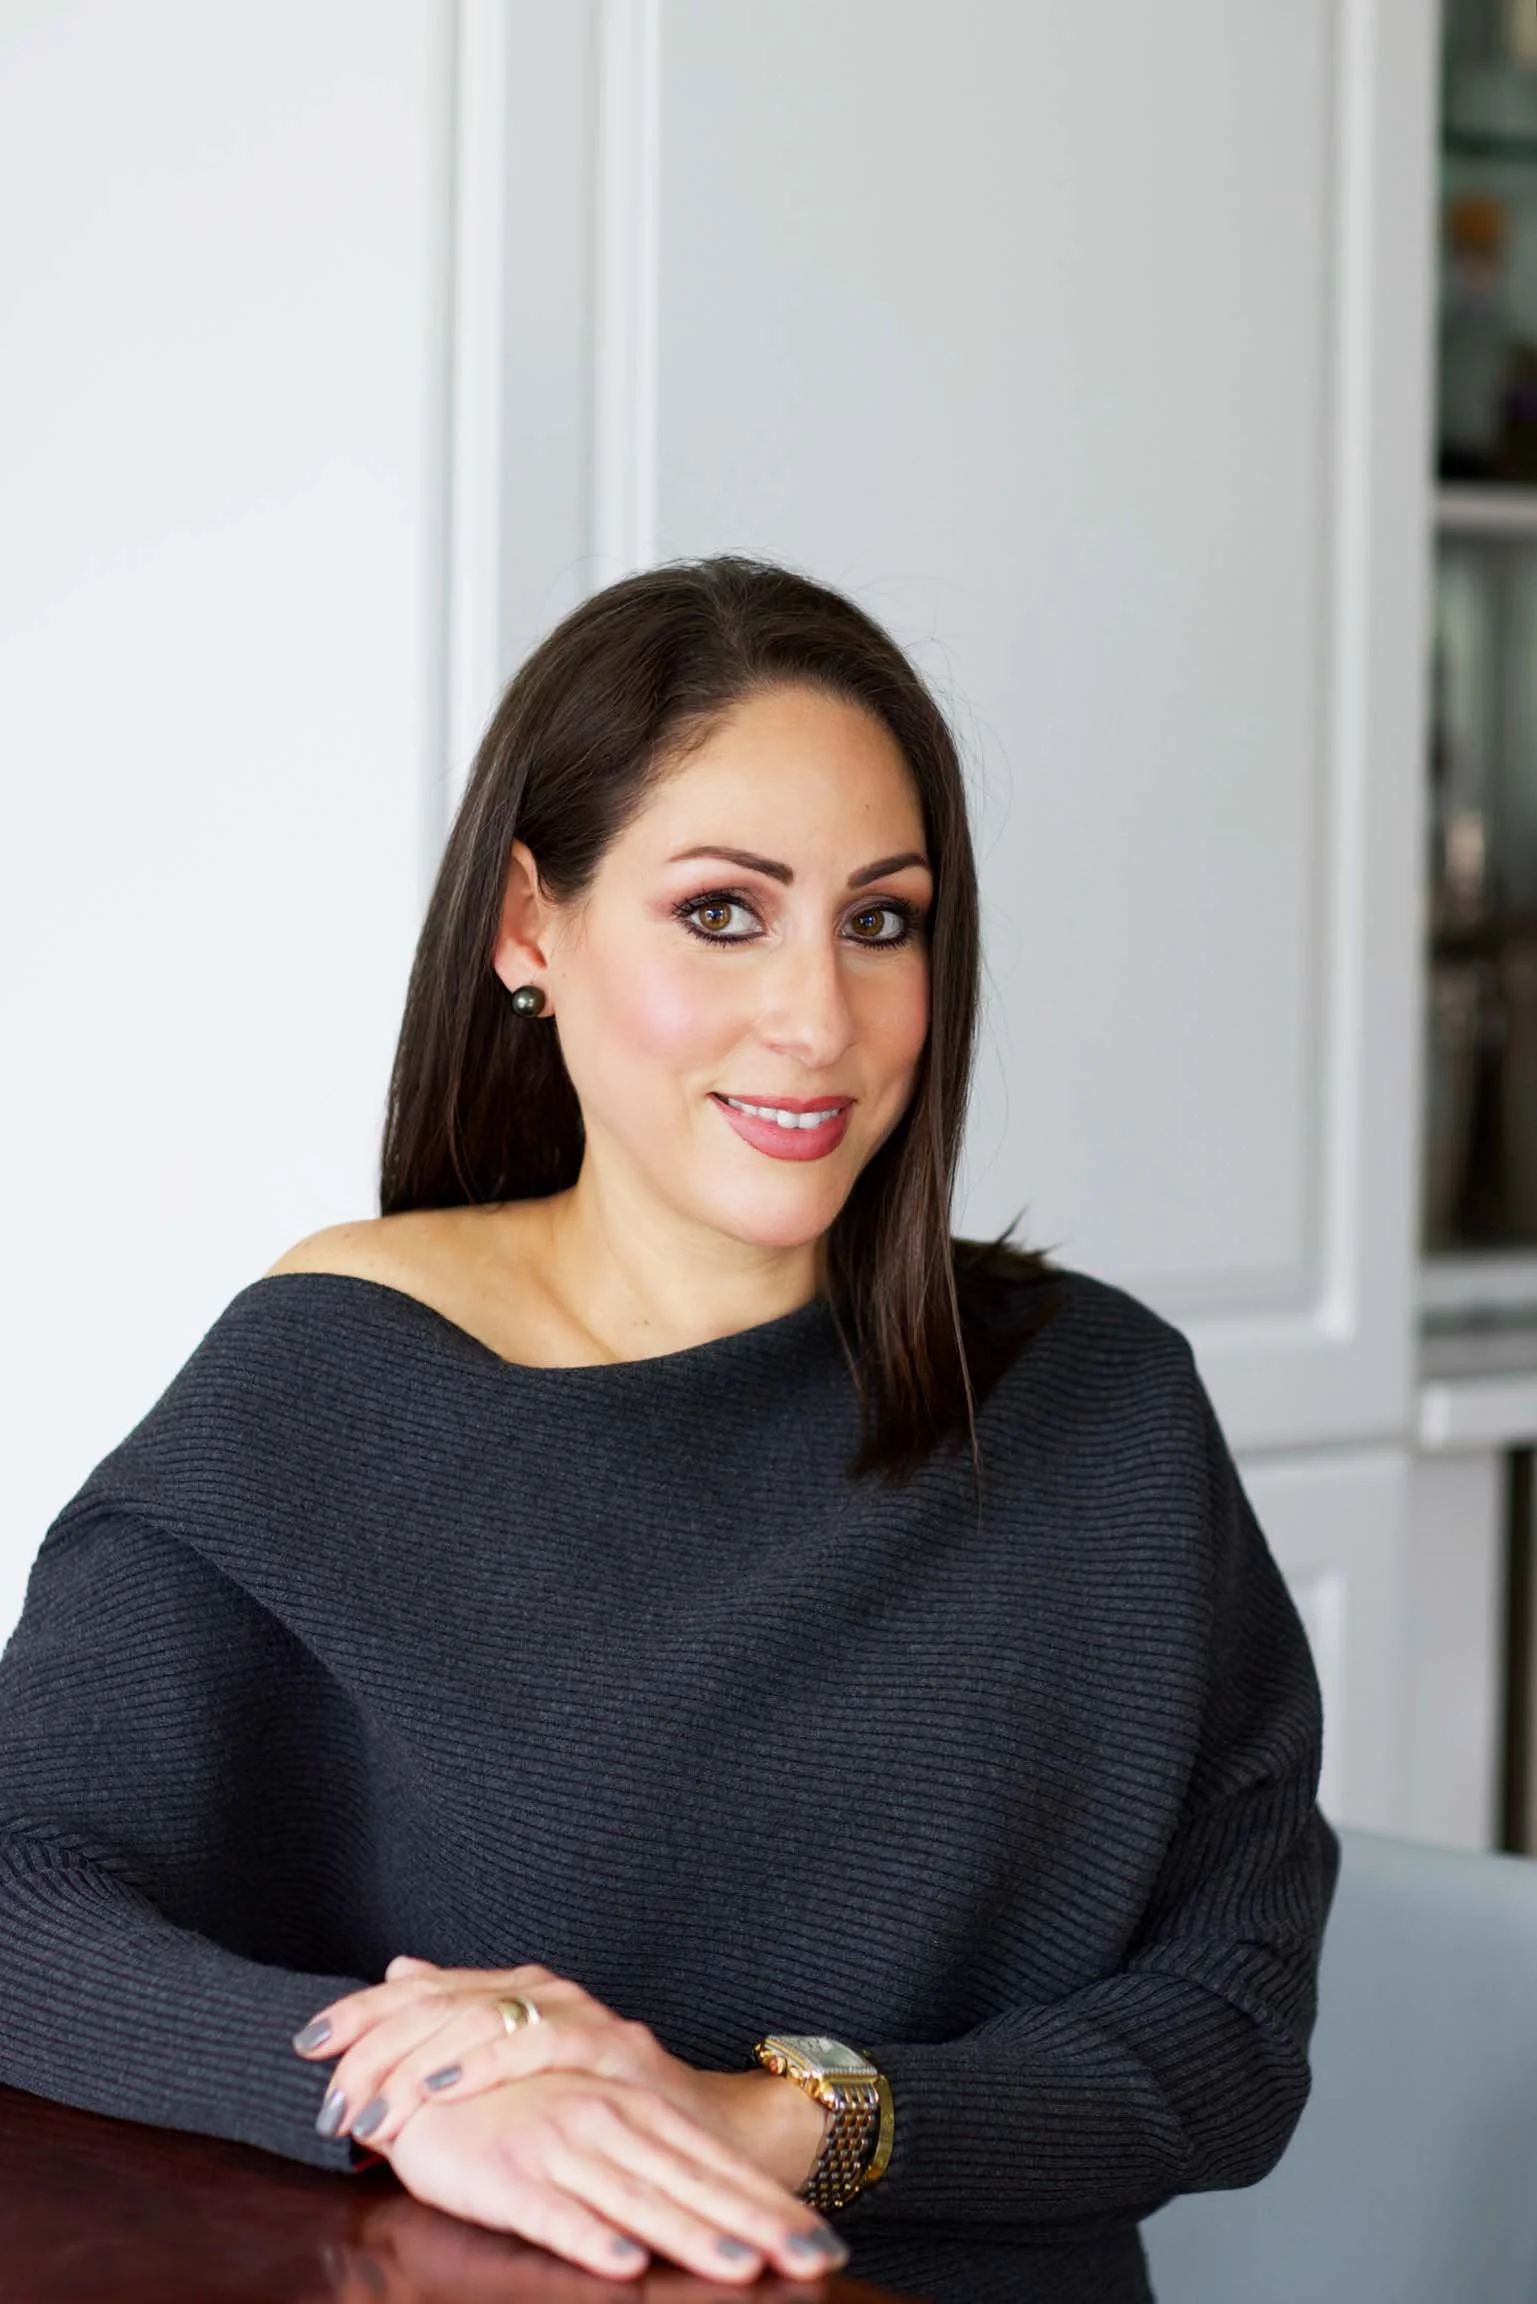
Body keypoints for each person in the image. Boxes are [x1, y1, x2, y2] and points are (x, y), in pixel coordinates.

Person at [0, 555, 1338, 2304]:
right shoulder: (341, 1376)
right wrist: (421, 2090)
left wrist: (778, 2120)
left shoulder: (1106, 1410)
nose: (818, 1019)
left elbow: (1227, 2036)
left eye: (883, 919)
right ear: (527, 930)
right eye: (724, 911)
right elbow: (26, 1894)